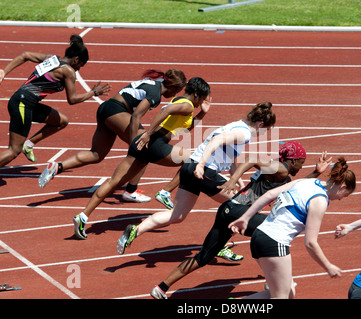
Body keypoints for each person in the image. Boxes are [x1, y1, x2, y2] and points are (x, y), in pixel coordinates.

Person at [146, 142, 333, 299]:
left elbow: (297, 186)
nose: (301, 167)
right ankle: (274, 279)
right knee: (273, 234)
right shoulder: (280, 169)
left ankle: (161, 287)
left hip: (228, 209)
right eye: (301, 163)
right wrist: (233, 178)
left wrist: (316, 172)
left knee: (204, 256)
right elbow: (251, 160)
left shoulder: (281, 171)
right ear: (292, 160)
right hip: (240, 212)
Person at [116, 102, 277, 257]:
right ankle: (219, 245)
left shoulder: (236, 125)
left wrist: (240, 184)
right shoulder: (245, 133)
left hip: (189, 167)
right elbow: (216, 141)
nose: (264, 134)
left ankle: (135, 230)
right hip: (203, 170)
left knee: (177, 215)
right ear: (260, 124)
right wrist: (201, 165)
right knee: (242, 207)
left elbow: (230, 160)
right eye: (266, 130)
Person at [72, 77, 210, 239]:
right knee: (194, 160)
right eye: (202, 99)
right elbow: (164, 112)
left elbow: (184, 128)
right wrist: (148, 134)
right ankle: (165, 192)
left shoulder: (179, 100)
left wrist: (202, 113)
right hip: (154, 143)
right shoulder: (187, 106)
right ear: (196, 94)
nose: (201, 103)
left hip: (142, 144)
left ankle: (83, 216)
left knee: (113, 182)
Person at [38, 68, 186, 203]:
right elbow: (136, 116)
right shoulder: (155, 94)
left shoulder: (153, 83)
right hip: (117, 111)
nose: (175, 95)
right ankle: (131, 191)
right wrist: (134, 142)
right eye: (177, 91)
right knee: (144, 147)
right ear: (173, 86)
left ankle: (57, 167)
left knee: (96, 154)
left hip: (106, 109)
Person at [228, 157, 356, 299]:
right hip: (275, 242)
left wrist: (246, 218)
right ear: (343, 187)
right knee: (281, 297)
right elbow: (310, 243)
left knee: (287, 293)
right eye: (344, 195)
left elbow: (269, 194)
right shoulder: (320, 200)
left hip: (259, 235)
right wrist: (328, 266)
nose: (340, 199)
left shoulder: (307, 182)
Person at [0, 34, 110, 168]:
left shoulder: (52, 59)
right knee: (13, 151)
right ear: (76, 60)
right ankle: (22, 147)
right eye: (80, 66)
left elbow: (25, 55)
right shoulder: (68, 71)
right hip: (23, 104)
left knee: (61, 121)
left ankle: (28, 145)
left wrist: (4, 72)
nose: (78, 70)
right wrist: (93, 93)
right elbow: (73, 99)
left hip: (25, 101)